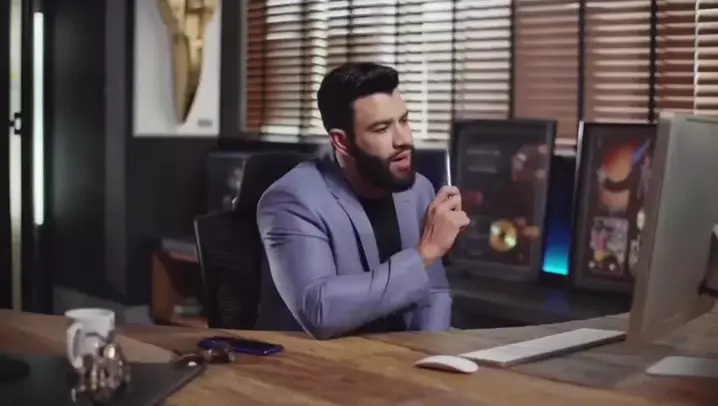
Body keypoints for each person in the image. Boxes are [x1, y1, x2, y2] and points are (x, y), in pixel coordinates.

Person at [256, 62, 470, 340]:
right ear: (342, 141)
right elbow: (320, 313)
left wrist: (429, 351)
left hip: (400, 355)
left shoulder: (418, 189)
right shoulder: (292, 201)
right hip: (318, 360)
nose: (404, 139)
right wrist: (425, 253)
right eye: (382, 129)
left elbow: (435, 291)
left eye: (404, 121)